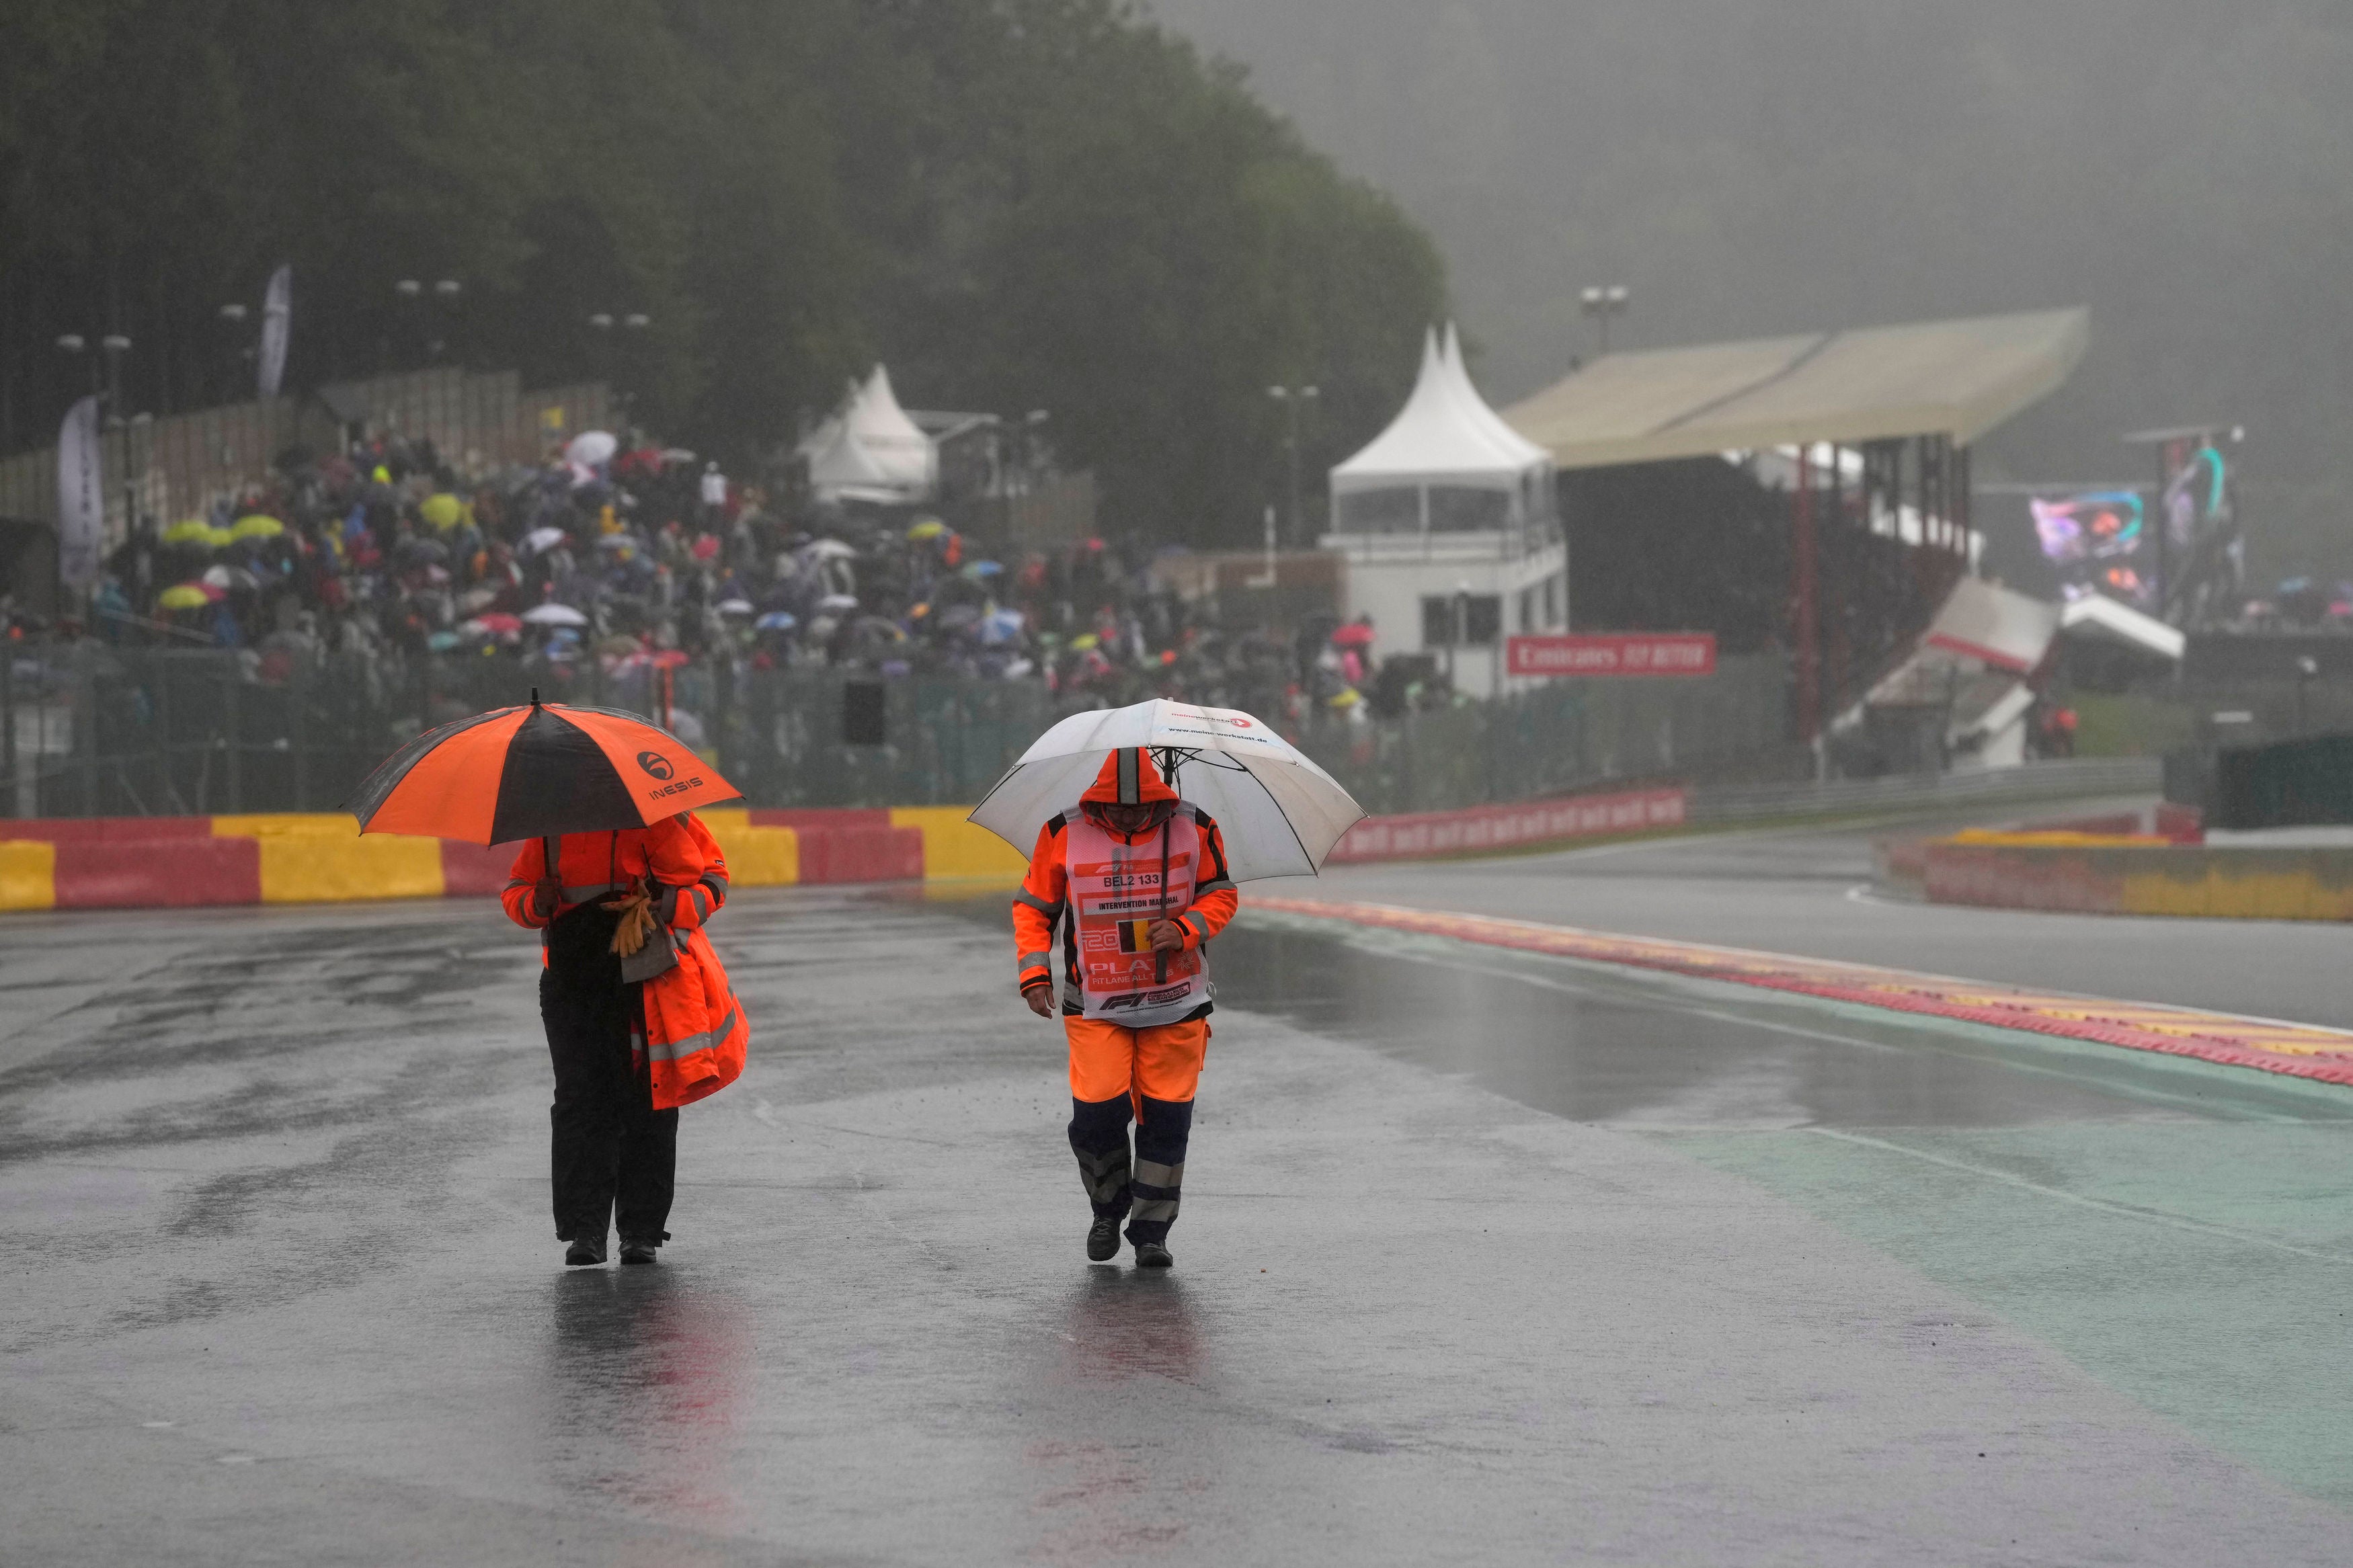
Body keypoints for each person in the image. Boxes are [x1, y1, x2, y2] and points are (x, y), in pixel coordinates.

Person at [1011, 747, 1238, 1268]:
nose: (1129, 816)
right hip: (1093, 1003)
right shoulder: (1061, 832)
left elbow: (1221, 894)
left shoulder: (1196, 826)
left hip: (1176, 1004)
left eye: (1139, 809)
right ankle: (1107, 1208)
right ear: (1098, 800)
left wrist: (1185, 929)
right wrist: (1033, 974)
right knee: (1095, 1114)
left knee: (1167, 1120)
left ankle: (1153, 1231)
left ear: (1159, 798)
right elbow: (1034, 907)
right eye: (1117, 808)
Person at [501, 813, 746, 1267]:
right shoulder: (552, 824)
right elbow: (514, 891)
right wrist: (537, 902)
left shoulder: (664, 816)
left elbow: (714, 882)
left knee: (648, 1097)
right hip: (572, 980)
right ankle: (585, 1230)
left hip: (644, 973)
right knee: (580, 1098)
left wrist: (665, 903)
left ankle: (640, 1232)